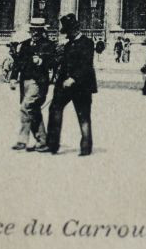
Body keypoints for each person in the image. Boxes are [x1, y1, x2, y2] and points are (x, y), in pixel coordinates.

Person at [43, 13, 96, 155]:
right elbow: (62, 64)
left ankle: (86, 146)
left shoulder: (87, 43)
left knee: (83, 115)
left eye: (68, 32)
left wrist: (73, 78)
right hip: (64, 85)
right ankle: (52, 144)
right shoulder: (67, 45)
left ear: (75, 30)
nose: (67, 35)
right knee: (54, 108)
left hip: (82, 86)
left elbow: (86, 65)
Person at [9, 18, 54, 151]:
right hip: (25, 81)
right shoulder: (24, 45)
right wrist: (13, 78)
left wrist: (41, 61)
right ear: (30, 31)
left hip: (38, 82)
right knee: (33, 110)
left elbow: (53, 61)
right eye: (33, 30)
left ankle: (22, 140)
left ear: (42, 31)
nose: (35, 33)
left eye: (38, 30)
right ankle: (42, 141)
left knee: (26, 106)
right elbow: (17, 63)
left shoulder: (48, 45)